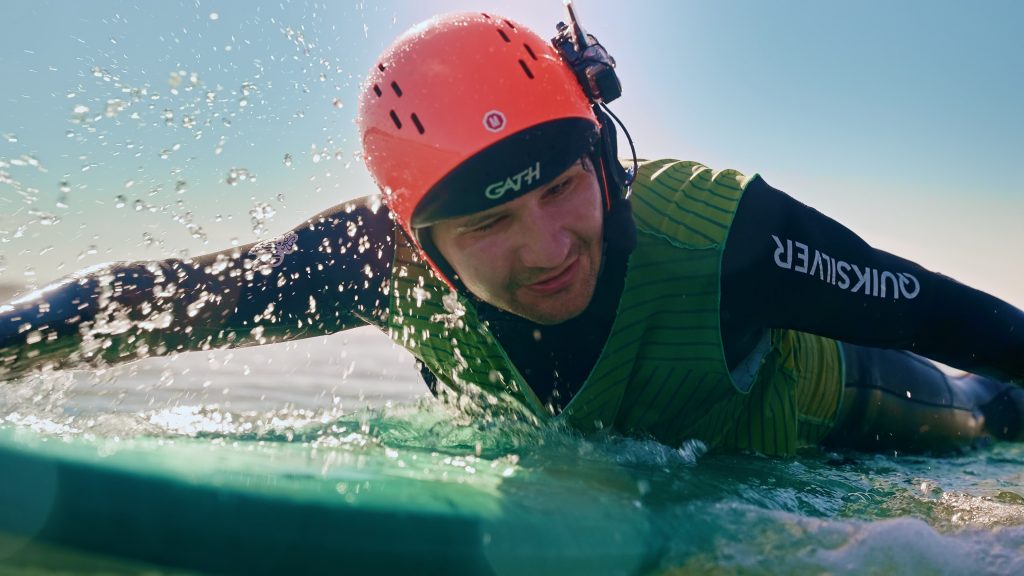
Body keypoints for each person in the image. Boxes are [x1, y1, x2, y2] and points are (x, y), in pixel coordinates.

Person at [1, 10, 1022, 456]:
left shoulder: (727, 234)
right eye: (489, 221)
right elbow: (158, 298)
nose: (547, 246)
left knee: (989, 409)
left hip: (855, 406)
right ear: (417, 237)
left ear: (601, 150)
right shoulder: (371, 262)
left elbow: (949, 311)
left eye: (564, 187)